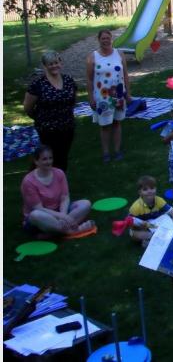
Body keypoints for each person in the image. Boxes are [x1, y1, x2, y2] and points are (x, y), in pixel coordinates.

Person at [20, 145, 94, 237]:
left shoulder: (59, 173)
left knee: (86, 204)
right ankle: (74, 231)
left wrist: (63, 216)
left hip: (59, 210)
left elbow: (65, 198)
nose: (48, 162)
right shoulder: (29, 181)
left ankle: (52, 233)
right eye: (44, 159)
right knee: (36, 215)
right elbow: (39, 208)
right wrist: (62, 216)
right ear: (36, 161)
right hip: (42, 217)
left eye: (50, 158)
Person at [23, 51, 77, 171]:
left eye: (56, 62)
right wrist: (39, 118)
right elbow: (28, 108)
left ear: (60, 63)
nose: (54, 66)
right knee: (47, 158)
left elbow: (73, 100)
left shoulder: (68, 80)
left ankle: (60, 180)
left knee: (62, 157)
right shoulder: (38, 84)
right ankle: (37, 179)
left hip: (67, 127)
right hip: (47, 129)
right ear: (45, 66)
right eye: (50, 64)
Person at [86, 29, 131, 162]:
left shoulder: (119, 54)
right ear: (99, 40)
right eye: (103, 38)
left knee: (117, 123)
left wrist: (128, 93)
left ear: (112, 39)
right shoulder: (92, 57)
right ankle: (106, 152)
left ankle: (117, 150)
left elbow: (125, 75)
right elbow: (89, 79)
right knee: (104, 125)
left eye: (108, 38)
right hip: (102, 97)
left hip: (118, 95)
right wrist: (90, 97)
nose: (105, 40)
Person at [127, 176, 173, 248]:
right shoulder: (135, 207)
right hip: (144, 227)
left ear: (155, 189)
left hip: (158, 223)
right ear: (140, 192)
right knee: (134, 234)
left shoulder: (159, 200)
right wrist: (142, 226)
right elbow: (130, 223)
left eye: (152, 188)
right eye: (145, 189)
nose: (149, 191)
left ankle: (153, 239)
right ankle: (154, 238)